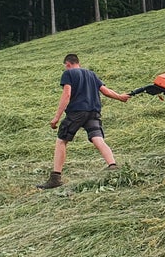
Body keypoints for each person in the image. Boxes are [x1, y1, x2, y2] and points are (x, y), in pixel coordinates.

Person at [37, 54, 130, 189]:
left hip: (77, 112)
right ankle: (112, 165)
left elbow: (67, 94)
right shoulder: (91, 74)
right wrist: (120, 97)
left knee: (61, 141)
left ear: (68, 64)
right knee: (97, 138)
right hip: (93, 112)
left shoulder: (68, 74)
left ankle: (55, 178)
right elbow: (105, 91)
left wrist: (57, 117)